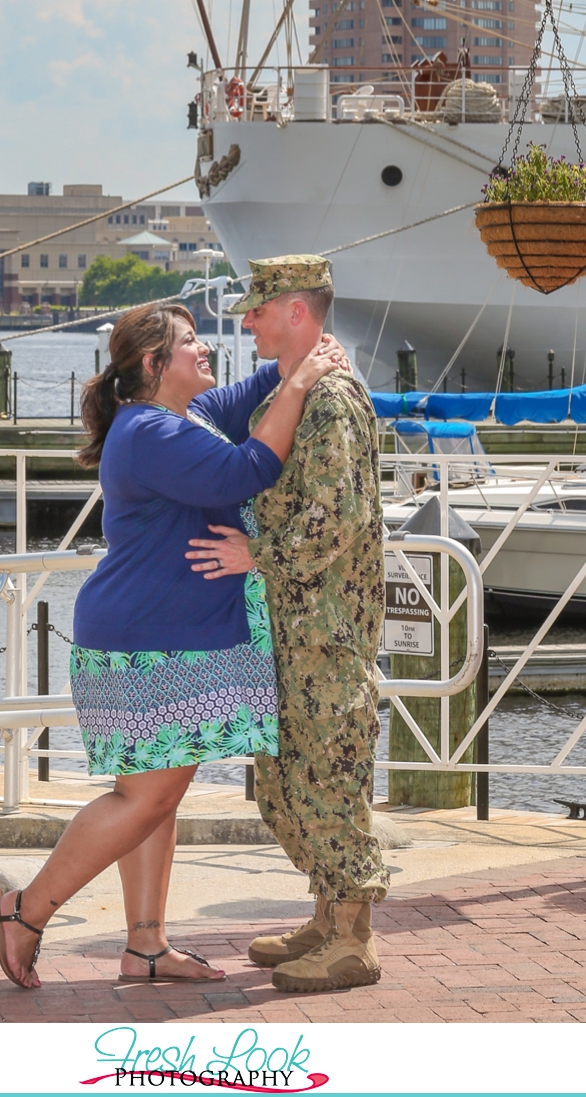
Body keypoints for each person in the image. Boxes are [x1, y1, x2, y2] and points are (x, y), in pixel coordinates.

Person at [0, 298, 347, 991]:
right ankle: (26, 909)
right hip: (147, 641)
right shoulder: (150, 431)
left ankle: (146, 945)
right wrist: (301, 382)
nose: (205, 349)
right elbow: (245, 472)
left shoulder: (188, 415)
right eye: (190, 342)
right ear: (154, 364)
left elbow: (252, 391)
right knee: (145, 798)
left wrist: (296, 349)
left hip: (159, 636)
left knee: (155, 793)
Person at [187, 255, 386, 992]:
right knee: (286, 780)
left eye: (259, 309)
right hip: (292, 624)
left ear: (296, 311)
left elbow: (338, 515)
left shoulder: (333, 400)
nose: (246, 321)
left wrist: (255, 551)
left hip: (324, 631)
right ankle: (328, 913)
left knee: (328, 778)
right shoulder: (299, 387)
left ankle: (352, 938)